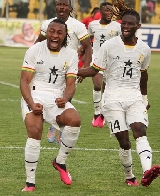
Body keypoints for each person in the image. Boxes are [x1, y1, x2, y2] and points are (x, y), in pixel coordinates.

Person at [77, 0, 160, 187]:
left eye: (131, 24)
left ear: (138, 26)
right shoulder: (109, 45)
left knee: (140, 130)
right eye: (124, 23)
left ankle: (147, 171)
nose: (126, 27)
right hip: (112, 98)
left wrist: (145, 98)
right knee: (124, 141)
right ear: (120, 24)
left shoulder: (145, 49)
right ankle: (129, 175)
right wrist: (72, 73)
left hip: (134, 97)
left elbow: (143, 76)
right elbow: (94, 70)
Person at [20, 18, 81, 192]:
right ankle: (30, 182)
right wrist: (31, 104)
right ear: (47, 33)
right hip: (34, 93)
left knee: (74, 120)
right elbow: (24, 81)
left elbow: (71, 84)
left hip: (56, 97)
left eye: (59, 32)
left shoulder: (71, 54)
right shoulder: (34, 50)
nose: (54, 35)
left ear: (65, 35)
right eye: (51, 32)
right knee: (34, 130)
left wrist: (66, 98)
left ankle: (60, 162)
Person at [34, 0, 92, 144]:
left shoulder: (77, 26)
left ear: (70, 8)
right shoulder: (47, 24)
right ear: (56, 7)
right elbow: (39, 42)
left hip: (69, 67)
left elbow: (88, 46)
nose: (62, 7)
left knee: (67, 97)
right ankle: (54, 125)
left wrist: (85, 67)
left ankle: (60, 128)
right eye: (59, 4)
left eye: (65, 5)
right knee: (48, 95)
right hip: (49, 66)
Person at [88, 1, 121, 128]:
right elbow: (89, 39)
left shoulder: (117, 26)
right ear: (100, 12)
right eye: (106, 10)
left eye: (111, 10)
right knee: (97, 85)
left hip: (112, 61)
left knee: (107, 89)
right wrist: (84, 51)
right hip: (97, 59)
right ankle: (97, 113)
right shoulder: (92, 25)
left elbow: (122, 41)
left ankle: (103, 112)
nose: (109, 12)